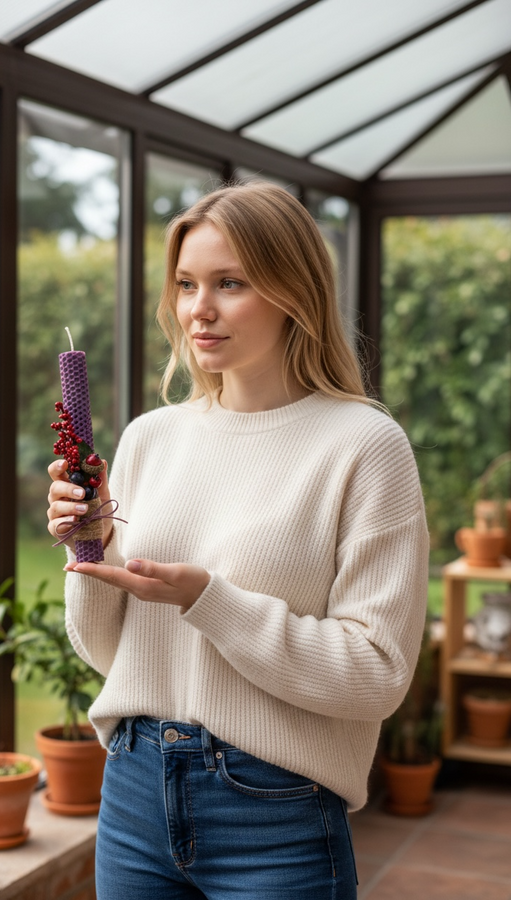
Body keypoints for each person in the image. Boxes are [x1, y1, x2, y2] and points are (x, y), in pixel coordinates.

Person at [47, 182, 429, 900]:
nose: (199, 308)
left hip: (275, 813)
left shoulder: (364, 446)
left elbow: (377, 673)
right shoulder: (148, 439)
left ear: (294, 291)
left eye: (231, 283)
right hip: (132, 793)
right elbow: (110, 653)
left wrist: (209, 602)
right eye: (188, 284)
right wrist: (86, 548)